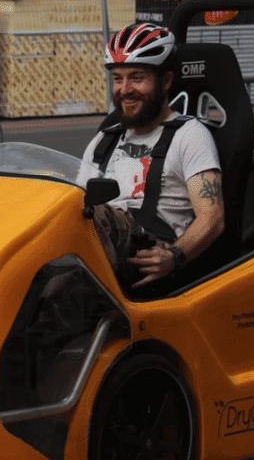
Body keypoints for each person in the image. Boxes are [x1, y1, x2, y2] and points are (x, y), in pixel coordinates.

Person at [82, 23, 224, 290]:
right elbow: (73, 200)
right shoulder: (105, 139)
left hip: (150, 251)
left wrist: (175, 255)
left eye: (137, 78)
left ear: (166, 81)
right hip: (100, 249)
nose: (125, 89)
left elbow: (212, 217)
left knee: (90, 215)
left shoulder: (190, 136)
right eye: (118, 78)